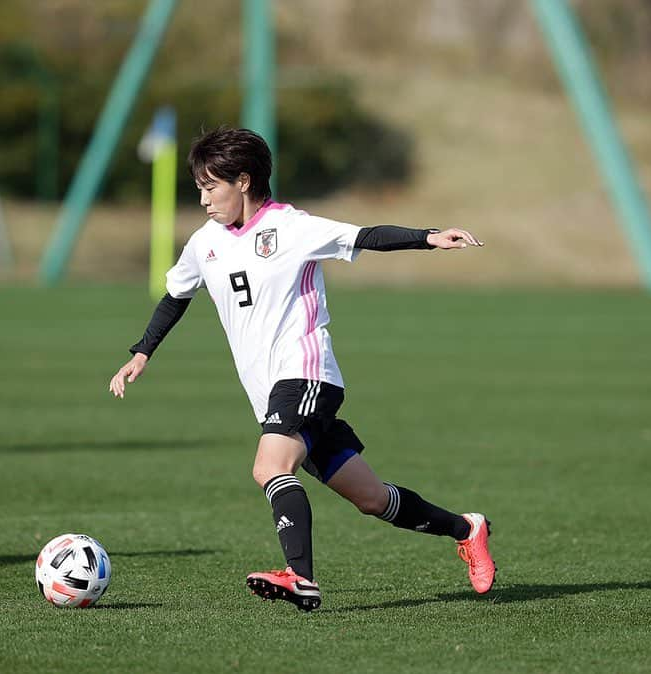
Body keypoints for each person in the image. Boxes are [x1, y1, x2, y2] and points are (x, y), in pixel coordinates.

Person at [109, 127, 495, 611]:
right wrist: (142, 352)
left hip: (306, 374)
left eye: (211, 187)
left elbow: (365, 235)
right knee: (373, 499)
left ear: (243, 181)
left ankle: (300, 578)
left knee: (269, 467)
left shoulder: (292, 228)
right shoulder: (204, 242)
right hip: (269, 393)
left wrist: (429, 237)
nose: (203, 198)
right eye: (200, 188)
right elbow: (176, 296)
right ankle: (467, 528)